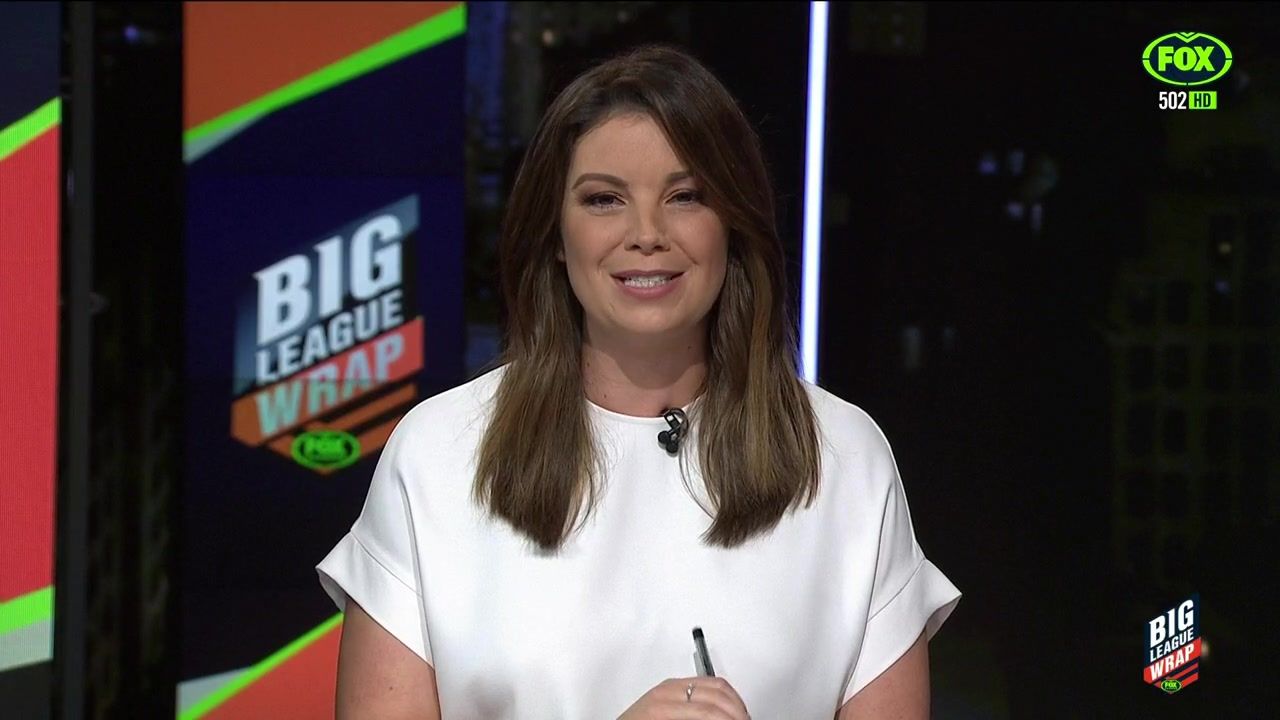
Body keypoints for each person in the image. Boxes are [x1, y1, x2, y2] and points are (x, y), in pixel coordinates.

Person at [316, 44, 960, 719]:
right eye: (604, 200)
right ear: (556, 233)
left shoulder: (844, 457)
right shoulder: (437, 453)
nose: (646, 234)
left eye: (686, 197)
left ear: (731, 223)